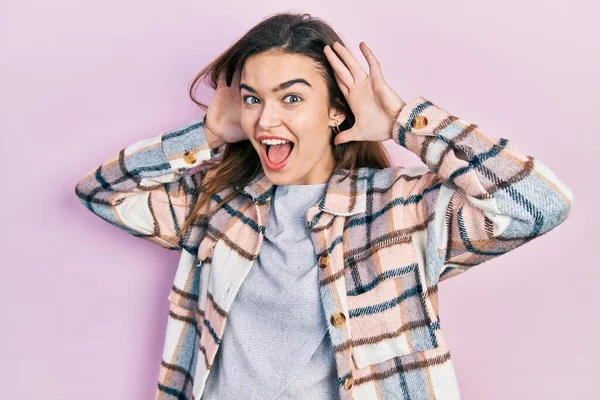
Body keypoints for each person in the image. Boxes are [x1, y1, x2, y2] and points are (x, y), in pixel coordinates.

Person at [74, 11, 574, 400]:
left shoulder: (400, 208)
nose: (266, 119)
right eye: (252, 99)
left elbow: (537, 206)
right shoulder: (218, 207)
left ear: (337, 110)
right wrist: (205, 133)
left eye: (291, 99)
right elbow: (102, 194)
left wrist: (402, 121)